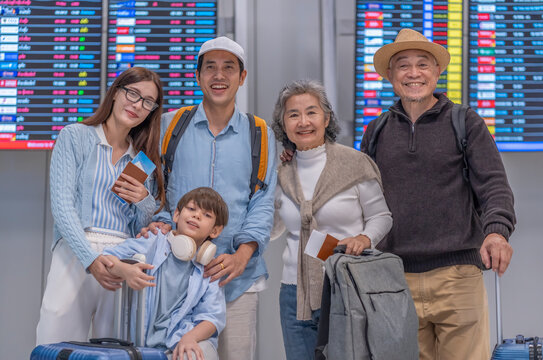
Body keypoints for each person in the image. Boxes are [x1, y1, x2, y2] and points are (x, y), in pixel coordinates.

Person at [359, 29, 516, 359]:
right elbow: (357, 196)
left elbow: (495, 187)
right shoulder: (376, 132)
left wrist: (497, 233)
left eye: (422, 64)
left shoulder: (466, 123)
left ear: (437, 72)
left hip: (457, 278)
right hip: (394, 279)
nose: (413, 73)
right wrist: (292, 152)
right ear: (390, 75)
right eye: (403, 65)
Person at [143, 36, 277, 360]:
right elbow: (147, 185)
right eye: (211, 68)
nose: (219, 76)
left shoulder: (260, 133)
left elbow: (263, 200)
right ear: (198, 76)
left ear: (242, 77)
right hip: (173, 281)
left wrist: (242, 256)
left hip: (236, 280)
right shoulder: (169, 126)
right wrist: (155, 222)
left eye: (229, 68)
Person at [36, 66, 165, 345]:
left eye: (147, 102)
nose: (137, 105)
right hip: (75, 251)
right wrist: (91, 260)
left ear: (152, 111)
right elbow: (62, 207)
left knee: (114, 347)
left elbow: (141, 228)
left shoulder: (142, 161)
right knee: (55, 342)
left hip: (124, 258)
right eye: (132, 93)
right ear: (116, 92)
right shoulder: (75, 136)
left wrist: (144, 200)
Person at [271, 80, 393, 360]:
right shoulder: (282, 172)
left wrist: (364, 238)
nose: (303, 122)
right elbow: (274, 229)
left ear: (326, 118)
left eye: (311, 112)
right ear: (283, 123)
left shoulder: (354, 163)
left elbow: (381, 217)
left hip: (346, 286)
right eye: (293, 114)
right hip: (294, 294)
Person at [103, 187, 228, 360]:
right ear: (176, 215)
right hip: (142, 340)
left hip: (182, 339)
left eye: (207, 215)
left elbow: (212, 317)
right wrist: (123, 269)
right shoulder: (153, 241)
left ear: (215, 231)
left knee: (194, 355)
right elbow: (105, 258)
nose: (196, 215)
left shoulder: (209, 268)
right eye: (191, 209)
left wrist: (190, 338)